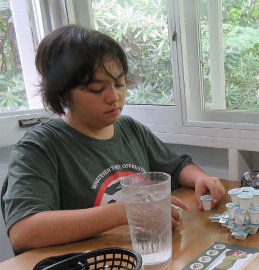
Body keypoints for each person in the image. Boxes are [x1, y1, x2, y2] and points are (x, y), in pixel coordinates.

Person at [3, 24, 226, 253]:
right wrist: (125, 211)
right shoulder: (39, 147)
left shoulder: (130, 129)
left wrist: (201, 178)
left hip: (141, 253)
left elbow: (177, 166)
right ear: (62, 93)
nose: (114, 97)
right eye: (97, 89)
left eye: (119, 84)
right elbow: (23, 231)